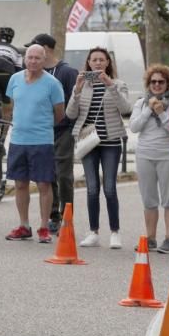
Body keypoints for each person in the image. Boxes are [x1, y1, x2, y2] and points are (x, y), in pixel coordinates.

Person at [68, 48, 130, 249]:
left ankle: (115, 232)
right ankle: (93, 231)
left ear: (108, 63)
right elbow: (70, 114)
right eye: (94, 60)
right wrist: (76, 90)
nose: (97, 63)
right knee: (92, 188)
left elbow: (126, 109)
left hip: (111, 141)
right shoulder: (82, 85)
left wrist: (110, 85)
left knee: (110, 188)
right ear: (88, 63)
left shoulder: (118, 84)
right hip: (88, 142)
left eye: (101, 60)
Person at [4, 45, 65, 244]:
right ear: (24, 59)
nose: (33, 61)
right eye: (30, 57)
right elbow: (12, 106)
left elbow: (60, 114)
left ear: (44, 59)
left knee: (43, 184)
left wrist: (43, 127)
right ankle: (24, 225)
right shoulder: (14, 79)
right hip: (18, 140)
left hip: (42, 141)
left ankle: (44, 227)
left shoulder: (52, 84)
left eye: (37, 58)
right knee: (20, 184)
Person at [24, 34, 78, 235]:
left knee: (63, 175)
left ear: (46, 49)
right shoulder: (32, 73)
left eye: (36, 49)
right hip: (41, 131)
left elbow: (74, 102)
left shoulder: (67, 72)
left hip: (62, 130)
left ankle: (67, 215)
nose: (33, 56)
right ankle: (54, 215)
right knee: (48, 175)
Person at [129, 64, 169, 254]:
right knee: (149, 199)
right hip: (144, 154)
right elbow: (134, 127)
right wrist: (149, 110)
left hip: (167, 154)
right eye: (153, 82)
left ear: (168, 84)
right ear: (148, 83)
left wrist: (161, 112)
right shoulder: (141, 103)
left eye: (161, 82)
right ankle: (150, 238)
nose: (157, 85)